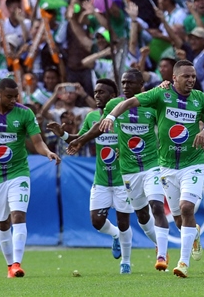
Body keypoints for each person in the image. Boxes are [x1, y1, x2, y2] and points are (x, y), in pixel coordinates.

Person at [101, 60, 204, 278]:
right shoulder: (160, 94)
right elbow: (130, 102)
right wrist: (112, 116)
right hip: (168, 167)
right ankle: (193, 234)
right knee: (179, 219)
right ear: (175, 78)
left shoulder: (199, 99)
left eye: (193, 76)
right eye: (186, 76)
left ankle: (183, 263)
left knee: (187, 207)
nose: (191, 80)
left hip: (193, 164)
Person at [67, 70, 171, 271]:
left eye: (130, 83)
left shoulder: (152, 104)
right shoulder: (113, 106)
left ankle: (161, 256)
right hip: (129, 170)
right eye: (123, 82)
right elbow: (99, 128)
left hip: (151, 165)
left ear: (141, 84)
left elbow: (167, 125)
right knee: (141, 216)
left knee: (157, 206)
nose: (125, 86)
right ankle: (158, 243)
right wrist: (79, 140)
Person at [0, 78, 61, 278]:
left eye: (16, 96)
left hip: (19, 172)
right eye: (9, 96)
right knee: (2, 224)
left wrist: (47, 152)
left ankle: (17, 264)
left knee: (18, 216)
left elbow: (37, 141)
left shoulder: (25, 113)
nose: (14, 100)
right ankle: (9, 266)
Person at [50, 79, 135, 273]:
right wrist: (63, 135)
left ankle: (126, 262)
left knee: (124, 222)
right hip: (102, 179)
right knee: (96, 221)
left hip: (123, 178)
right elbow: (81, 138)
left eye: (102, 93)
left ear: (113, 97)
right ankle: (114, 236)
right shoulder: (91, 117)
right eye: (95, 92)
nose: (97, 96)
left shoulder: (124, 116)